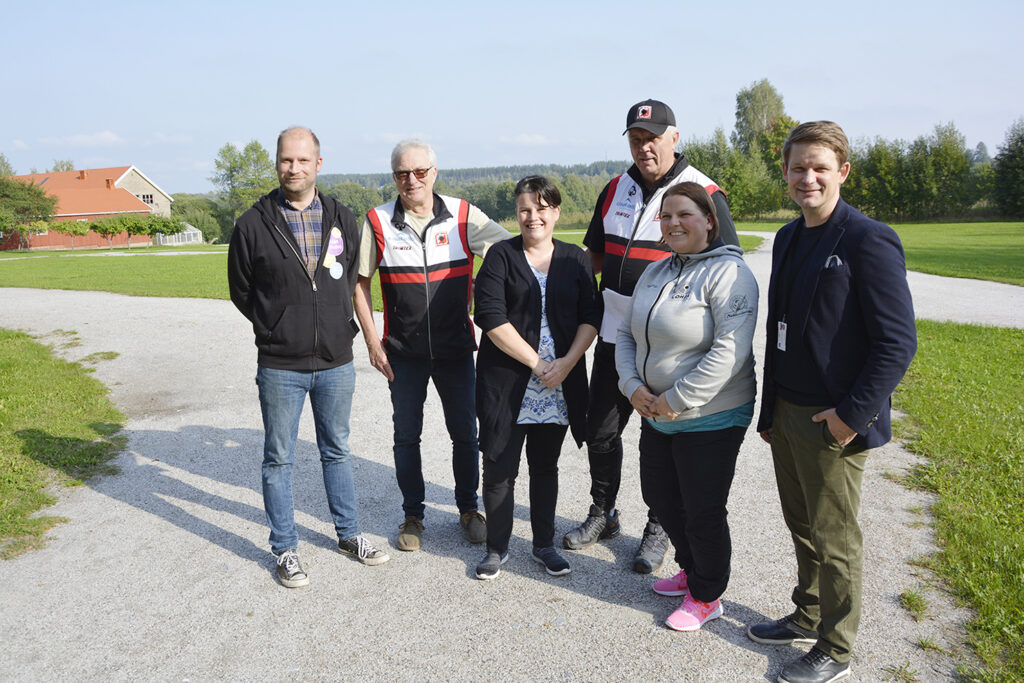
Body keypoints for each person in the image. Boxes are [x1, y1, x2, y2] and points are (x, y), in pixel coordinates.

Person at [748, 121, 916, 683]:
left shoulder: (869, 239)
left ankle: (836, 648)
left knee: (835, 537)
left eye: (820, 167)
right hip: (789, 413)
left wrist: (850, 416)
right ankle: (809, 612)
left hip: (833, 419)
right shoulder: (790, 237)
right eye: (799, 168)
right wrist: (770, 410)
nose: (808, 178)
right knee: (801, 526)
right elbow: (780, 328)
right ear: (787, 174)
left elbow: (897, 342)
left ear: (842, 171)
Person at [568, 99, 741, 574]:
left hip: (671, 343)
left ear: (674, 138)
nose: (645, 147)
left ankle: (659, 526)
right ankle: (604, 513)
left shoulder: (704, 191)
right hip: (615, 335)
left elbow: (727, 264)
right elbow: (596, 255)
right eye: (636, 138)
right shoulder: (614, 188)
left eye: (653, 137)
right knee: (601, 431)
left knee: (660, 434)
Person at [227, 126, 389, 588]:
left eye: (302, 160)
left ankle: (349, 534)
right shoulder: (252, 224)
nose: (293, 168)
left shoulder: (341, 217)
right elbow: (242, 290)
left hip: (336, 361)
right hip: (281, 365)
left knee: (336, 451)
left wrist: (361, 337)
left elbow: (354, 281)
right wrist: (273, 324)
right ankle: (285, 549)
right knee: (278, 458)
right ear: (277, 164)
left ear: (319, 164)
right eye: (285, 160)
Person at [353, 139, 510, 552]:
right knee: (407, 436)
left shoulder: (461, 215)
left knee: (465, 434)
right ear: (394, 178)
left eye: (420, 172)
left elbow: (508, 251)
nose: (412, 180)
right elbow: (359, 282)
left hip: (455, 348)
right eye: (403, 174)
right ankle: (413, 516)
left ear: (434, 173)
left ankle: (467, 509)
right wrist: (372, 340)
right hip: (402, 353)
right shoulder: (377, 220)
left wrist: (486, 291)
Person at [615, 182, 758, 631]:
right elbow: (625, 335)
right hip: (656, 414)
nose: (673, 222)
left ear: (710, 221)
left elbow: (729, 352)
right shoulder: (656, 272)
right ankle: (691, 569)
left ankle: (707, 593)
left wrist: (674, 400)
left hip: (711, 416)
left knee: (702, 508)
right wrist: (632, 387)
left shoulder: (730, 274)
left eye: (685, 214)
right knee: (660, 496)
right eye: (666, 215)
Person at [472, 176, 601, 580]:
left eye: (542, 208)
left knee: (545, 467)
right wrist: (537, 364)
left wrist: (565, 363)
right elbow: (490, 317)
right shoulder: (499, 257)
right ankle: (497, 548)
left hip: (558, 385)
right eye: (526, 209)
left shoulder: (574, 259)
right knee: (499, 467)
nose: (533, 217)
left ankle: (544, 545)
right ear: (517, 213)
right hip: (509, 383)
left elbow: (591, 315)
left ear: (556, 212)